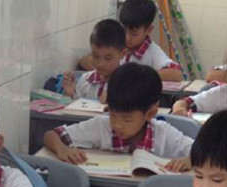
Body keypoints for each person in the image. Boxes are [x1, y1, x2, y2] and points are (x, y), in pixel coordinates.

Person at [44, 63, 193, 172]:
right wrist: (62, 149)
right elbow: (51, 135)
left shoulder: (164, 134)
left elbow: (202, 152)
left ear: (149, 114)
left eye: (127, 119)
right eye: (113, 114)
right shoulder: (102, 126)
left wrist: (191, 160)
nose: (117, 125)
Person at [63, 19, 126, 102]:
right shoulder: (85, 80)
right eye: (95, 56)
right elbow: (77, 107)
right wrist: (70, 95)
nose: (100, 64)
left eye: (108, 58)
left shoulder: (126, 84)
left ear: (123, 54)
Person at [119, 0, 182, 82]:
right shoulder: (117, 44)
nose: (127, 37)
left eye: (134, 34)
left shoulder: (152, 51)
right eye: (123, 30)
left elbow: (176, 74)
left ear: (148, 30)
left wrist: (142, 75)